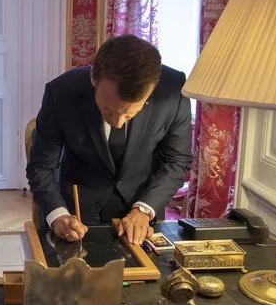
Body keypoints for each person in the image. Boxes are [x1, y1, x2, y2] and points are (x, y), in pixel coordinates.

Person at [27, 34, 192, 246]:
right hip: (75, 214)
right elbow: (40, 166)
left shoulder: (173, 90)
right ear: (94, 78)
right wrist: (58, 215)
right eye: (108, 109)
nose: (117, 123)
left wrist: (143, 209)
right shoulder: (60, 92)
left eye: (130, 114)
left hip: (141, 213)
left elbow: (177, 161)